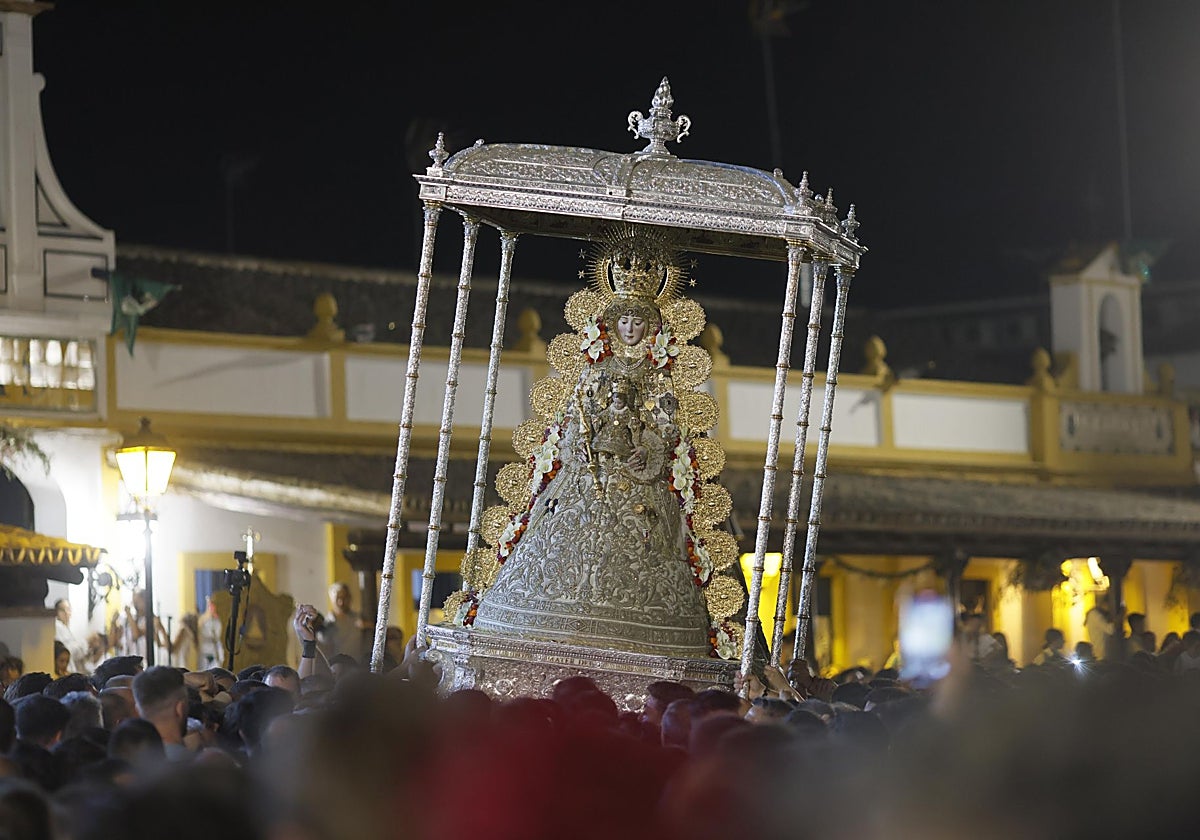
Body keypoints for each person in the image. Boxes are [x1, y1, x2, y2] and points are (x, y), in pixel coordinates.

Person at [472, 230, 718, 658]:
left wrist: (650, 447)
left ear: (651, 327)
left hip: (638, 473)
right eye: (623, 321)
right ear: (611, 324)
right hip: (587, 470)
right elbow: (572, 414)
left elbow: (666, 420)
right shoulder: (594, 370)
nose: (630, 328)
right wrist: (577, 443)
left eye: (638, 322)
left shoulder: (656, 374)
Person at [53, 598, 88, 673]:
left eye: (68, 609)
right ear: (56, 613)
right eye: (62, 610)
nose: (66, 612)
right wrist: (83, 643)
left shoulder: (68, 628)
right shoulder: (57, 626)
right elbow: (65, 650)